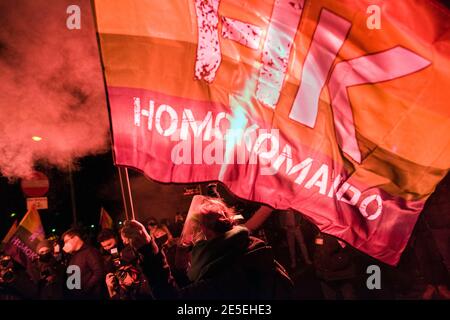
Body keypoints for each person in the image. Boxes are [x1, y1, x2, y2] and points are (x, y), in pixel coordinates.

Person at [121, 197, 294, 299]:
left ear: (205, 233)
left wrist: (148, 253)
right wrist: (180, 273)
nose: (191, 241)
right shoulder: (247, 249)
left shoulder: (228, 275)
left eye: (193, 231)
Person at [62, 228, 106, 299]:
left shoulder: (90, 252)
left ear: (76, 238)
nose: (65, 245)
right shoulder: (73, 255)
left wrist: (85, 289)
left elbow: (99, 272)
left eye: (66, 241)